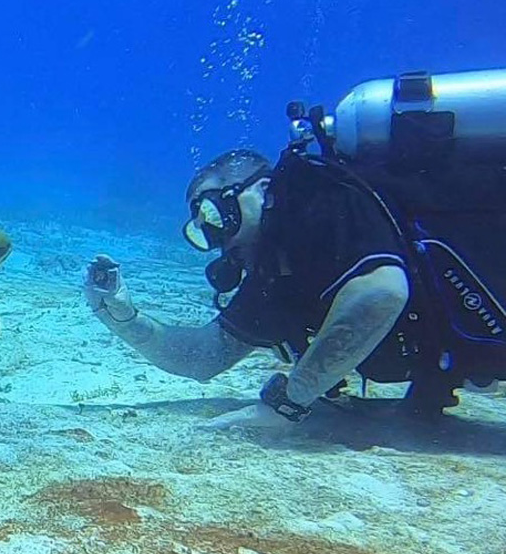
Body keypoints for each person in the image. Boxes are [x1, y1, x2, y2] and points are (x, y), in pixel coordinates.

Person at [83, 146, 506, 428]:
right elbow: (201, 357)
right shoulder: (277, 272)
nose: (220, 238)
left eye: (217, 213)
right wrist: (121, 315)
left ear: (264, 189)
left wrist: (291, 400)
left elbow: (382, 293)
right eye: (204, 230)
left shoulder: (320, 199)